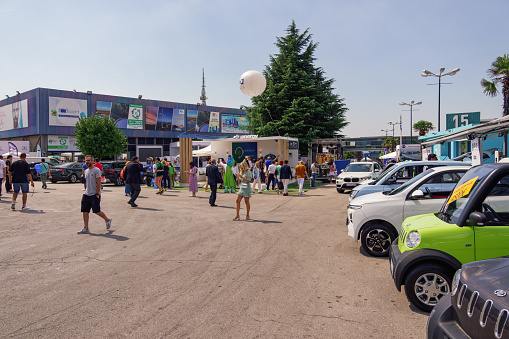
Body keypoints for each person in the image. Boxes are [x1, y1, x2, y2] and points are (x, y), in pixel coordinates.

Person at [78, 155, 112, 234]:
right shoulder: (86, 171)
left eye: (89, 160)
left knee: (97, 211)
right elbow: (86, 182)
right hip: (86, 194)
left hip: (94, 194)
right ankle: (86, 228)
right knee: (85, 211)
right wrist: (86, 189)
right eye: (86, 161)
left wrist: (97, 193)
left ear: (92, 161)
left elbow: (99, 183)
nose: (87, 162)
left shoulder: (96, 170)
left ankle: (107, 219)